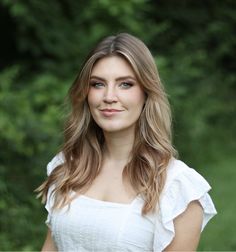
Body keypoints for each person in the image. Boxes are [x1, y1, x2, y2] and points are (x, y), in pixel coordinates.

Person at [36, 33, 217, 251]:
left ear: (147, 93)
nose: (109, 96)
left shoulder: (177, 189)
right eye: (97, 84)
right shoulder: (67, 167)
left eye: (125, 84)